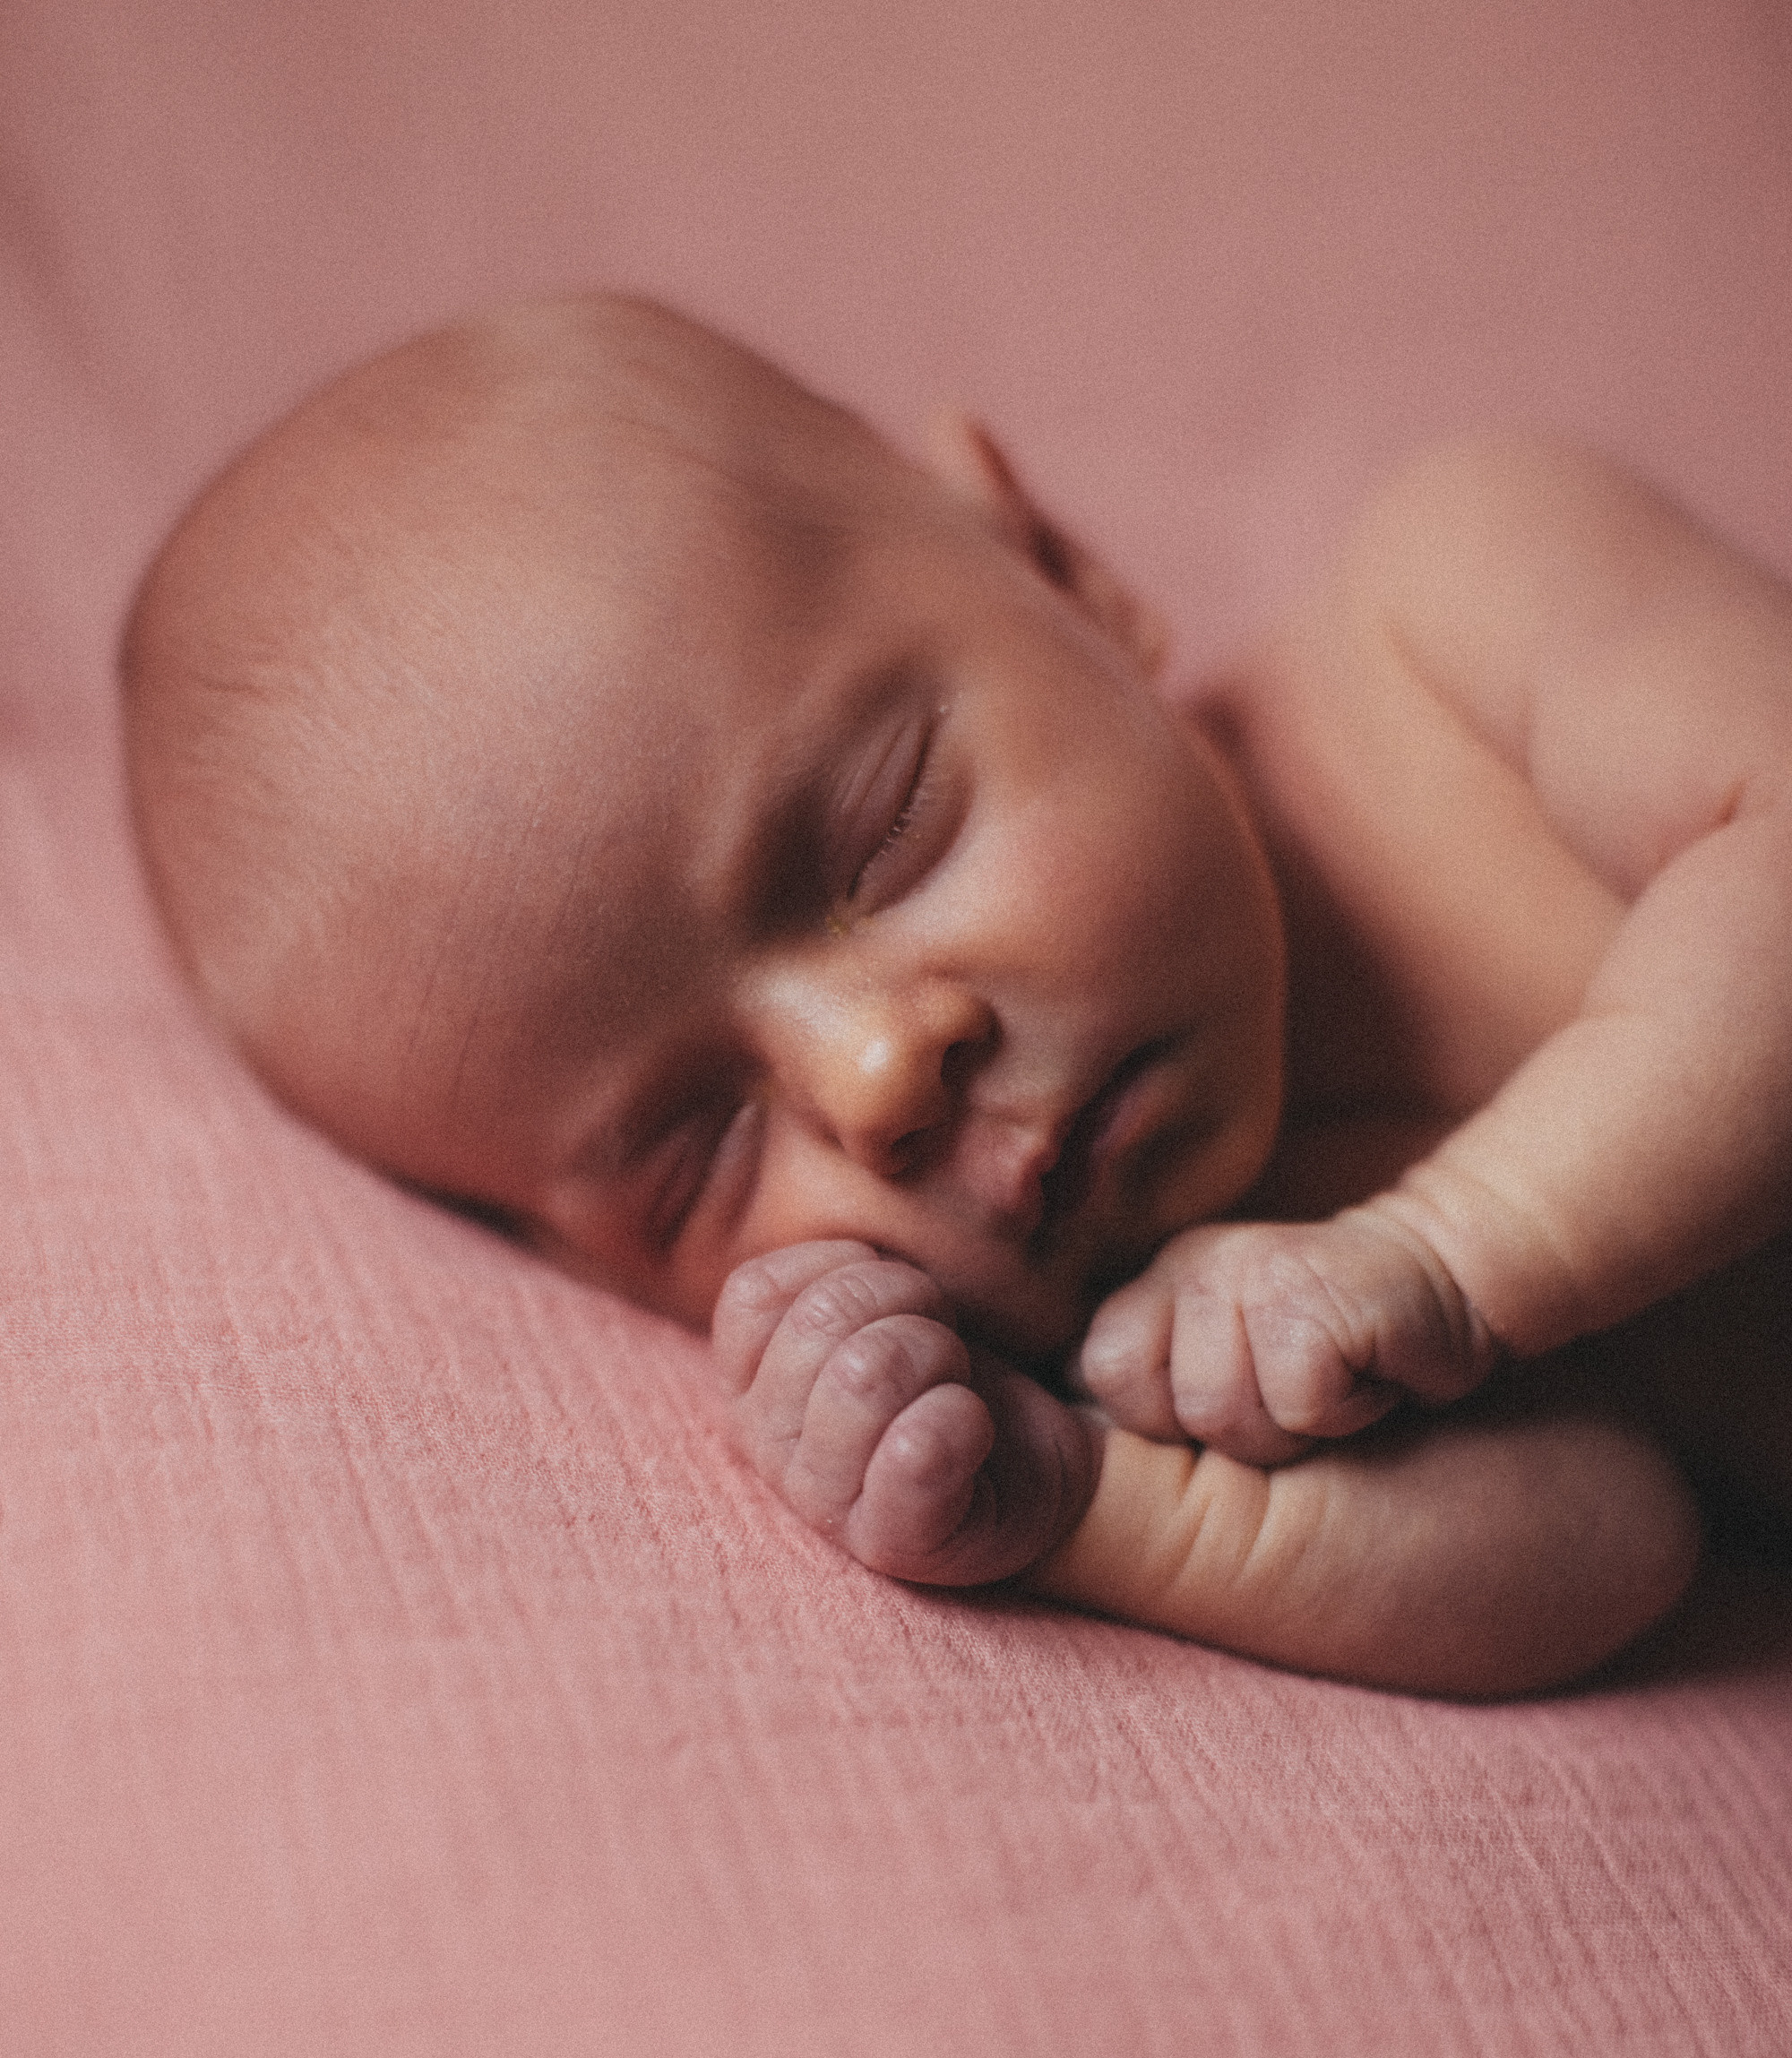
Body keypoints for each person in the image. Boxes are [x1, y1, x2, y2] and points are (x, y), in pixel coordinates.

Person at [121, 295, 1792, 1696]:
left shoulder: (1455, 599)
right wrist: (1074, 1501)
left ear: (1050, 562)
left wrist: (1461, 1244)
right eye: (700, 1155)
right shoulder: (1171, 1310)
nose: (873, 1081)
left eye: (888, 832)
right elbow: (1610, 1546)